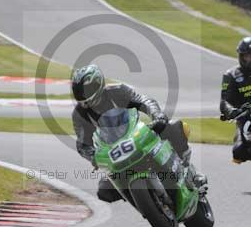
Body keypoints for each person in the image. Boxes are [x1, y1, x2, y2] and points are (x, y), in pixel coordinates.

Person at [71, 64, 207, 203]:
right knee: (104, 191)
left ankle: (189, 171)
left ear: (98, 84)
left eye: (86, 91)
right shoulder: (79, 114)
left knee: (172, 127)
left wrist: (157, 115)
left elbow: (144, 101)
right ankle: (143, 203)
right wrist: (93, 156)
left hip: (136, 134)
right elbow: (83, 144)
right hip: (114, 152)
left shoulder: (117, 91)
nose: (83, 95)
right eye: (79, 92)